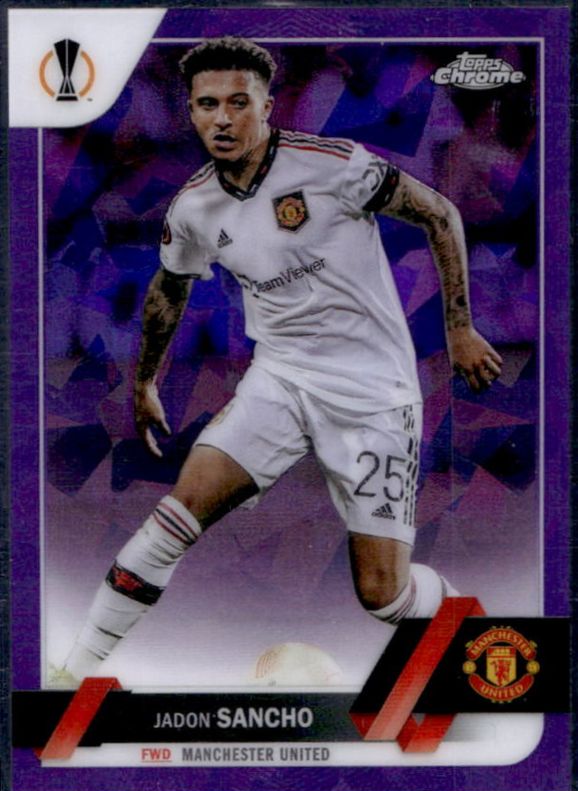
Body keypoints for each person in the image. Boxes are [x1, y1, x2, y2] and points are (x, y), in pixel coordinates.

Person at [57, 37, 502, 684]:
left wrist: (459, 327)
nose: (222, 118)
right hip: (281, 381)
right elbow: (168, 288)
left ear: (266, 106)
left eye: (238, 102)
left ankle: (473, 635)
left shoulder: (332, 165)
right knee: (175, 516)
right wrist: (146, 379)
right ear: (191, 111)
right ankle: (72, 675)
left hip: (374, 393)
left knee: (384, 596)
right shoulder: (194, 207)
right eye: (207, 104)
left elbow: (438, 213)